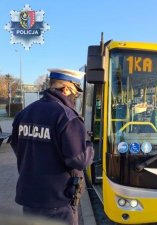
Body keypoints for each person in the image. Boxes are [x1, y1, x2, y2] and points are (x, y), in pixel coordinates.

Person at [10, 68, 95, 225]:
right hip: (57, 202)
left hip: (29, 198)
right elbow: (79, 160)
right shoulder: (67, 116)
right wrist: (88, 142)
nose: (75, 98)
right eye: (75, 93)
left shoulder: (24, 113)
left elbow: (16, 146)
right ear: (65, 89)